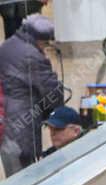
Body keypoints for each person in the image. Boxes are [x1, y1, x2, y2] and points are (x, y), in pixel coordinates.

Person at [0, 15, 62, 171]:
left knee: (12, 170)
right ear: (41, 40)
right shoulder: (33, 56)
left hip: (5, 119)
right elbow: (53, 93)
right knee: (25, 176)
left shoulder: (7, 45)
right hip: (22, 124)